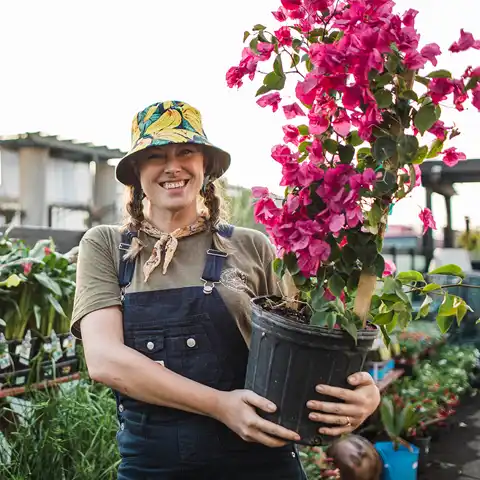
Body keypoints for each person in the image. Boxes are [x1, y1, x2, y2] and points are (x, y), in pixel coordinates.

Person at [71, 100, 380, 480]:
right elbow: (105, 361)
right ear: (136, 171)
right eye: (155, 155)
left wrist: (361, 395)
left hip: (262, 459)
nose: (173, 166)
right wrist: (220, 406)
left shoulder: (252, 246)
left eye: (186, 151)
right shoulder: (106, 246)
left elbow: (301, 350)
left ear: (205, 166)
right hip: (154, 466)